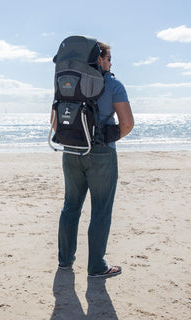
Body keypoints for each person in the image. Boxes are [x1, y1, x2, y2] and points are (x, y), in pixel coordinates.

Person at [53, 41, 134, 278]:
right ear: (99, 60)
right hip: (101, 155)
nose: (111, 63)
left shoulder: (66, 84)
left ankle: (65, 261)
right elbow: (128, 123)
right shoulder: (113, 85)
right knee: (100, 210)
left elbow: (54, 123)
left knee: (71, 206)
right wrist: (106, 136)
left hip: (71, 152)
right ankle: (97, 267)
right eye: (109, 59)